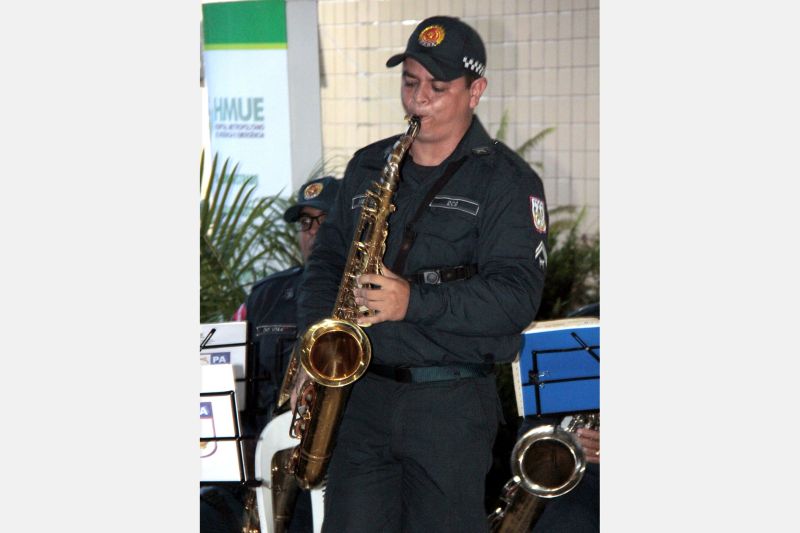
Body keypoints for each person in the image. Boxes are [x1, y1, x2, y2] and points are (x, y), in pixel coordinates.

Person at [295, 16, 549, 532]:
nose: (419, 100)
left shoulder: (507, 181)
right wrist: (315, 342)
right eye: (410, 82)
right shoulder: (369, 165)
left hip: (450, 408)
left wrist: (414, 300)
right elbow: (327, 261)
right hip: (362, 396)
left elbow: (515, 297)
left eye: (438, 86)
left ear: (475, 91)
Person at [201, 175, 341, 533]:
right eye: (305, 223)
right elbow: (225, 372)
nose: (311, 232)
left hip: (332, 457)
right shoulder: (266, 295)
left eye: (323, 221)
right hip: (260, 456)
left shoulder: (367, 294)